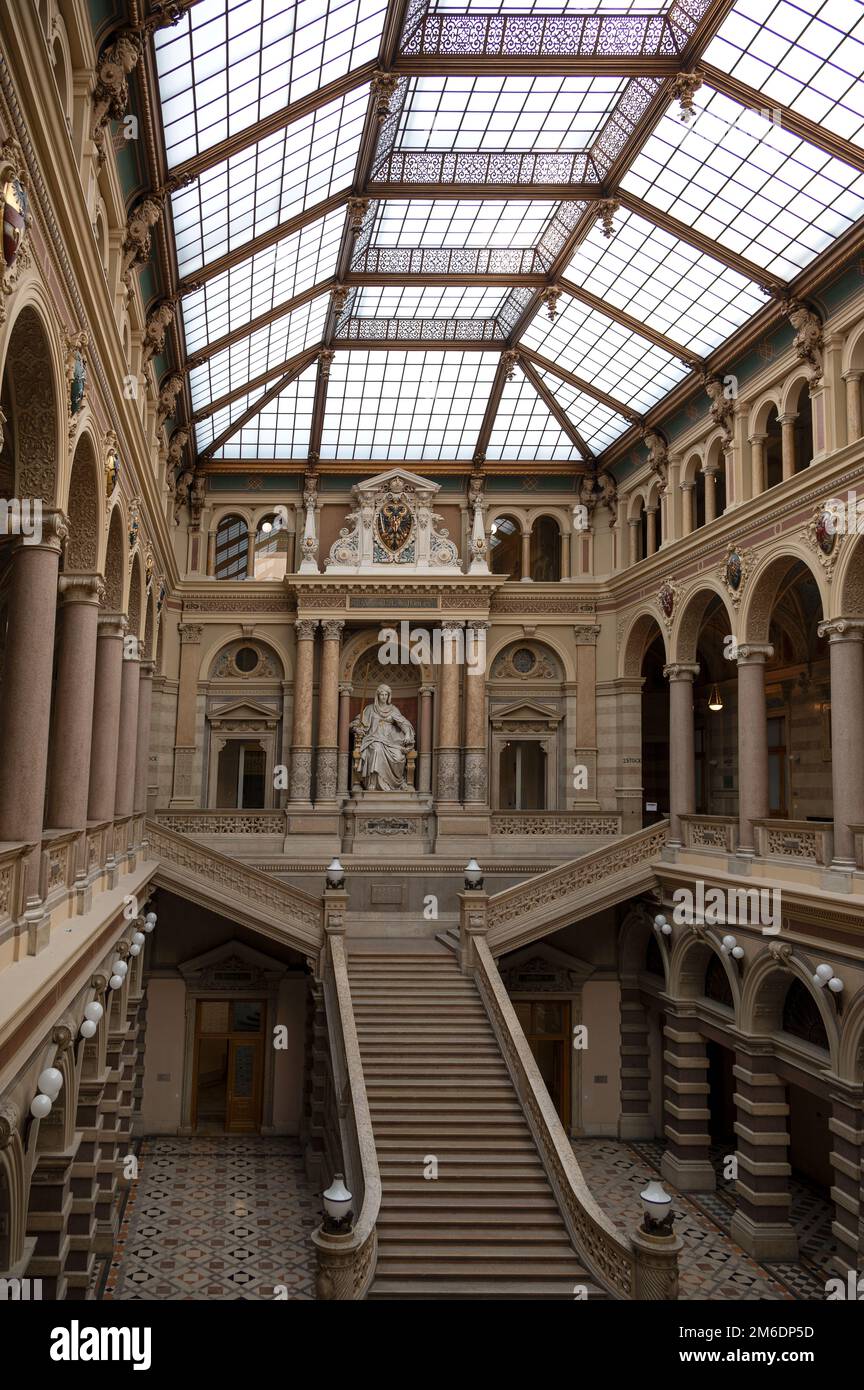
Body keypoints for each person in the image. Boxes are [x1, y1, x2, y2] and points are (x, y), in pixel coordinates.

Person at [351, 684, 414, 791]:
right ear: (378, 695)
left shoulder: (393, 709)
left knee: (398, 757)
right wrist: (357, 728)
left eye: (386, 694)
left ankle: (397, 783)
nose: (384, 697)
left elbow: (404, 723)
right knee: (376, 750)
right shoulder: (370, 709)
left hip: (391, 740)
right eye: (382, 694)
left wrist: (408, 733)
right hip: (373, 738)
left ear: (389, 696)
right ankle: (373, 783)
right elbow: (357, 722)